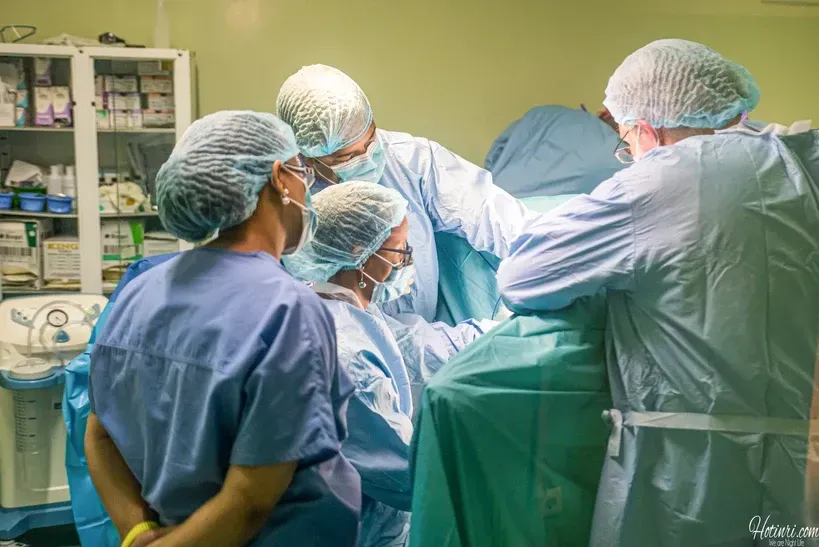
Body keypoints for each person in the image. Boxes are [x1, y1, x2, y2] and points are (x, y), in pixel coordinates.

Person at [497, 39, 819, 546]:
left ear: (647, 130)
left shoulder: (656, 181)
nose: (628, 156)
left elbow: (522, 275)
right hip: (799, 472)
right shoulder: (796, 162)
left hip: (688, 477)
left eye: (626, 142)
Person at [84, 111, 361, 547]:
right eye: (302, 171)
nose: (307, 187)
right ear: (280, 179)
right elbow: (250, 500)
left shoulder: (141, 290)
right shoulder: (288, 309)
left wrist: (137, 533)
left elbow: (99, 435)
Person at [284, 181, 496, 547]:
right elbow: (407, 474)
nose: (406, 261)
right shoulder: (346, 353)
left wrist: (499, 334)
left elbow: (414, 350)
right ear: (359, 253)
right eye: (400, 250)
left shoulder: (335, 307)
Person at [276, 64, 542, 323]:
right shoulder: (289, 213)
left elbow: (489, 212)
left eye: (370, 139)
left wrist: (554, 254)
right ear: (305, 157)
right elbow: (341, 322)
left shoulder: (409, 160)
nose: (367, 156)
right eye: (347, 156)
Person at [484, 104, 624, 199]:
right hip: (543, 233)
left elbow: (494, 155)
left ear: (605, 112)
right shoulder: (622, 161)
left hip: (491, 212)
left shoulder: (545, 114)